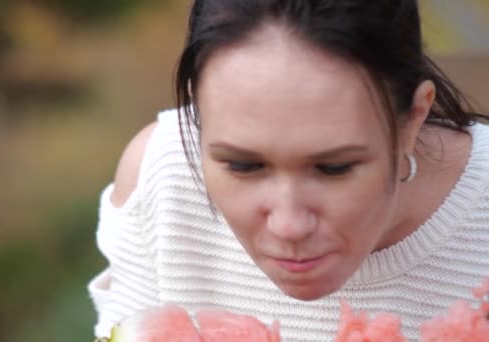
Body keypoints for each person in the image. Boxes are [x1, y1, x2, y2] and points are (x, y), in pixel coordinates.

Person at [88, 1, 489, 340]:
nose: (290, 226)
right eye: (243, 165)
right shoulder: (159, 176)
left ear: (412, 118)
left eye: (334, 167)